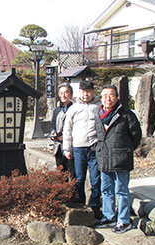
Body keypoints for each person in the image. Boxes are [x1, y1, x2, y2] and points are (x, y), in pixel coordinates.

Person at [95, 85, 142, 234]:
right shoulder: (99, 113)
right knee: (106, 190)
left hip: (121, 158)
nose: (108, 99)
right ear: (101, 98)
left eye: (111, 95)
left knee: (121, 190)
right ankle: (109, 217)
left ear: (117, 97)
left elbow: (136, 136)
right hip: (104, 157)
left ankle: (123, 220)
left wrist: (125, 150)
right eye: (104, 96)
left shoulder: (126, 114)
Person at [63, 80, 102, 218]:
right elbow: (67, 129)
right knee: (79, 179)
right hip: (78, 147)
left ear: (93, 91)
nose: (86, 94)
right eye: (83, 91)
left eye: (88, 91)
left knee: (95, 179)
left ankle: (95, 207)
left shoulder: (100, 106)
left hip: (95, 147)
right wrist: (67, 149)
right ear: (79, 92)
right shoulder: (74, 108)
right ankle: (80, 206)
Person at [49, 83, 74, 177]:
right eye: (61, 93)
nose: (63, 95)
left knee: (72, 174)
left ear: (71, 94)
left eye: (66, 92)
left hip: (71, 146)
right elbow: (52, 124)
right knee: (61, 175)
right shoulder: (57, 110)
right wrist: (53, 133)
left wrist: (66, 136)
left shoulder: (75, 109)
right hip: (58, 147)